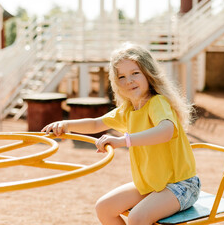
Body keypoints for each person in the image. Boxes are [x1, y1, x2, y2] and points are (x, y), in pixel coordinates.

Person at [42, 42, 200, 225]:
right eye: (122, 77)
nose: (129, 81)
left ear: (148, 73)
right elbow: (95, 124)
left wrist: (123, 140)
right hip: (153, 184)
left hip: (180, 185)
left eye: (135, 73)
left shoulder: (157, 103)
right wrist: (66, 124)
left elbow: (166, 131)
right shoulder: (128, 109)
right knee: (104, 208)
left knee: (137, 218)